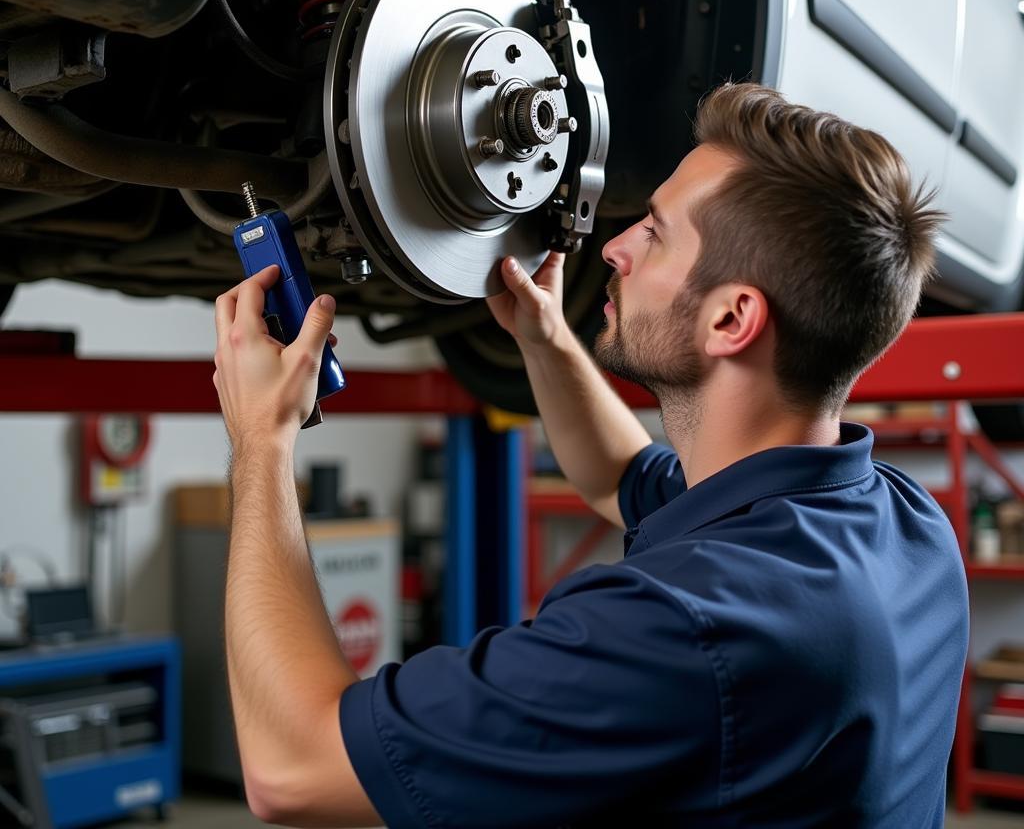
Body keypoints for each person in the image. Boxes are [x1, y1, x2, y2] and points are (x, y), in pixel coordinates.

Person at [212, 82, 969, 828]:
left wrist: (261, 438)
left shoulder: (683, 632)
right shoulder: (900, 521)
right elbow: (623, 476)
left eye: (655, 230)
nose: (614, 246)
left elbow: (293, 770)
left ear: (732, 318)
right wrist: (544, 339)